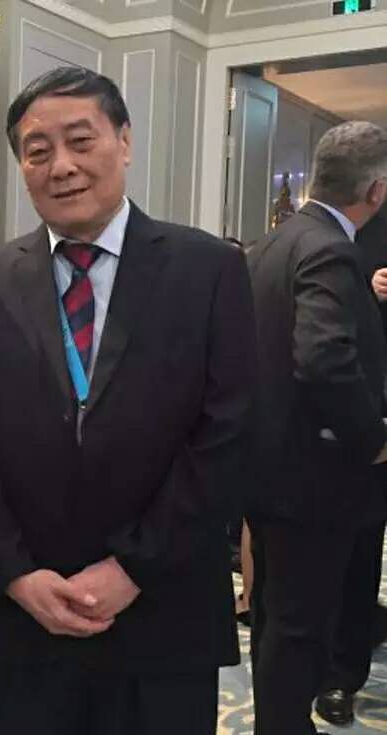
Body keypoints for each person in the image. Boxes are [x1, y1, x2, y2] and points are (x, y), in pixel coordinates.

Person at [0, 65, 257, 735]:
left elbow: (228, 433)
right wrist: (15, 574)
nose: (61, 166)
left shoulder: (208, 269)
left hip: (165, 608)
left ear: (125, 141)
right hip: (32, 613)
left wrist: (134, 566)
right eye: (38, 151)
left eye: (81, 141)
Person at [246, 121, 387, 735]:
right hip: (316, 479)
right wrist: (372, 439)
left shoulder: (273, 243)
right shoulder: (331, 249)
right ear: (376, 190)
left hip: (269, 468)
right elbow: (324, 359)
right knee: (300, 628)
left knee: (277, 619)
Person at [315, 205, 387, 727]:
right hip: (367, 418)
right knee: (356, 550)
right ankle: (340, 673)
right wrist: (371, 294)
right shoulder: (363, 224)